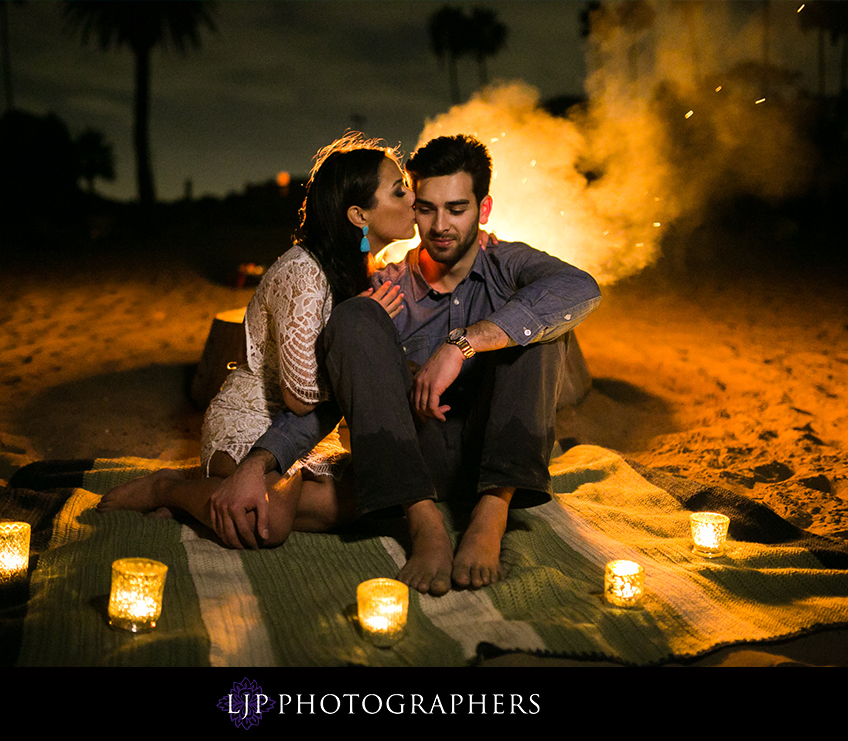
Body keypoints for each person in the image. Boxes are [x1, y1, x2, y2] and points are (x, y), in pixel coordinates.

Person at [245, 134, 602, 596]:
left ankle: (491, 514)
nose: (440, 225)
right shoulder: (389, 286)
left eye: (456, 209)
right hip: (413, 462)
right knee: (355, 317)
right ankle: (424, 521)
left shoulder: (507, 264)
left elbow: (580, 288)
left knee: (541, 322)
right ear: (413, 208)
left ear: (484, 210)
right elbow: (343, 390)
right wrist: (259, 460)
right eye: (427, 208)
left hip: (494, 457)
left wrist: (462, 345)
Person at [97, 132, 413, 544]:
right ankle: (168, 488)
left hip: (311, 433)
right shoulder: (304, 274)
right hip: (254, 420)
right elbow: (299, 399)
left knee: (375, 501)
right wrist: (364, 328)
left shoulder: (366, 268)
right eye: (399, 190)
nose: (413, 198)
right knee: (265, 524)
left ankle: (221, 497)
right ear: (359, 216)